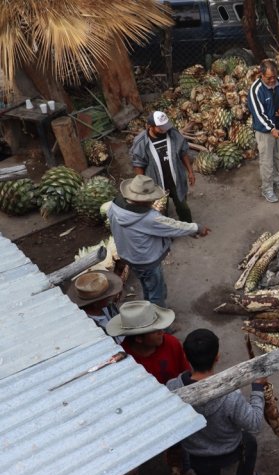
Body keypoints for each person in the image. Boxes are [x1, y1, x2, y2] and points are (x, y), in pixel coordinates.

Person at [167, 329, 265, 475]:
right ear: (217, 357)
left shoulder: (172, 388)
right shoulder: (231, 395)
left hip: (196, 455)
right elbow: (254, 423)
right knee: (249, 442)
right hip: (229, 450)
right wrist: (257, 389)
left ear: (187, 357)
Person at [107, 175, 210, 307]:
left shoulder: (114, 207)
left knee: (147, 286)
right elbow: (173, 226)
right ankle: (161, 324)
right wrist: (197, 228)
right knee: (157, 294)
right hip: (147, 261)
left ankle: (149, 308)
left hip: (129, 257)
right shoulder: (149, 218)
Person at [131, 110, 196, 223]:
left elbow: (183, 153)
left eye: (165, 126)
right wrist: (142, 185)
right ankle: (166, 232)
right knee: (160, 209)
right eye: (160, 128)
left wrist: (190, 172)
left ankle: (188, 226)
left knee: (183, 205)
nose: (165, 130)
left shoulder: (173, 133)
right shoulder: (141, 142)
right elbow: (138, 164)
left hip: (176, 179)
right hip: (156, 182)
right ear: (150, 126)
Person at [106, 300, 190, 384]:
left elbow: (186, 374)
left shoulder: (171, 343)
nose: (162, 332)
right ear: (139, 339)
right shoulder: (124, 359)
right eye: (154, 331)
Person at [247, 59, 279, 203]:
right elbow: (258, 114)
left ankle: (277, 179)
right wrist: (271, 128)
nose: (273, 80)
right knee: (266, 161)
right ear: (261, 75)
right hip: (264, 131)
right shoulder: (256, 90)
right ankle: (267, 189)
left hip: (278, 127)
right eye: (269, 78)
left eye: (274, 76)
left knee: (277, 156)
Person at [67, 270, 125, 344]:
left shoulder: (108, 306)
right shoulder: (87, 325)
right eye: (107, 296)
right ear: (96, 302)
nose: (111, 297)